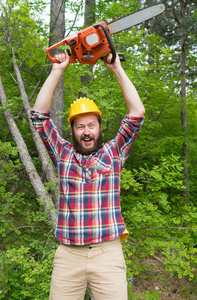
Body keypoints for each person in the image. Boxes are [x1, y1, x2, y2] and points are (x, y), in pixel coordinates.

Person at [31, 51, 145, 300]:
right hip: (68, 256)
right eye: (80, 126)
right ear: (72, 130)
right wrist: (57, 70)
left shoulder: (114, 152)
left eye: (91, 125)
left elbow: (136, 113)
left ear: (100, 127)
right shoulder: (62, 154)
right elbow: (38, 116)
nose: (86, 131)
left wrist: (116, 68)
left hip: (108, 254)